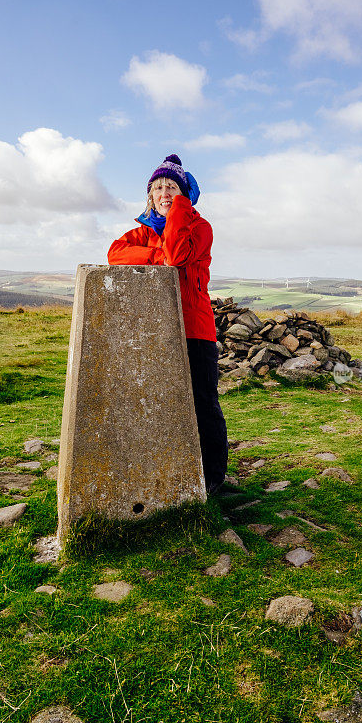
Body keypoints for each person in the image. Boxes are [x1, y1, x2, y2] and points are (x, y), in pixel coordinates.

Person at [107, 154, 228, 494]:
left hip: (195, 329)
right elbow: (115, 253)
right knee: (162, 402)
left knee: (204, 403)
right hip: (158, 331)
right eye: (158, 187)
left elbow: (176, 256)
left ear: (185, 193)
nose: (164, 192)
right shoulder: (142, 232)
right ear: (150, 194)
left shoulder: (199, 227)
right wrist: (155, 255)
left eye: (172, 186)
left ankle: (213, 478)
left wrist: (177, 211)